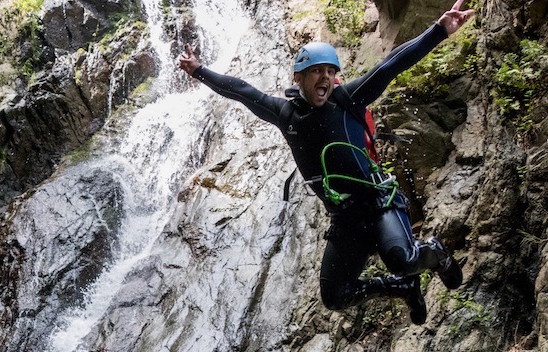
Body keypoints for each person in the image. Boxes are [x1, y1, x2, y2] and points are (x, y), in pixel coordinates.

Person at [179, 0, 474, 325]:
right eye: (318, 71)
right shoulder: (284, 114)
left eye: (331, 72)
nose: (326, 77)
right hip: (345, 218)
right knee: (335, 295)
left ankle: (435, 253)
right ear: (299, 77)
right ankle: (402, 288)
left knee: (401, 258)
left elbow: (391, 64)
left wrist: (438, 31)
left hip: (379, 203)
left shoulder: (348, 97)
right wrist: (198, 71)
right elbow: (242, 91)